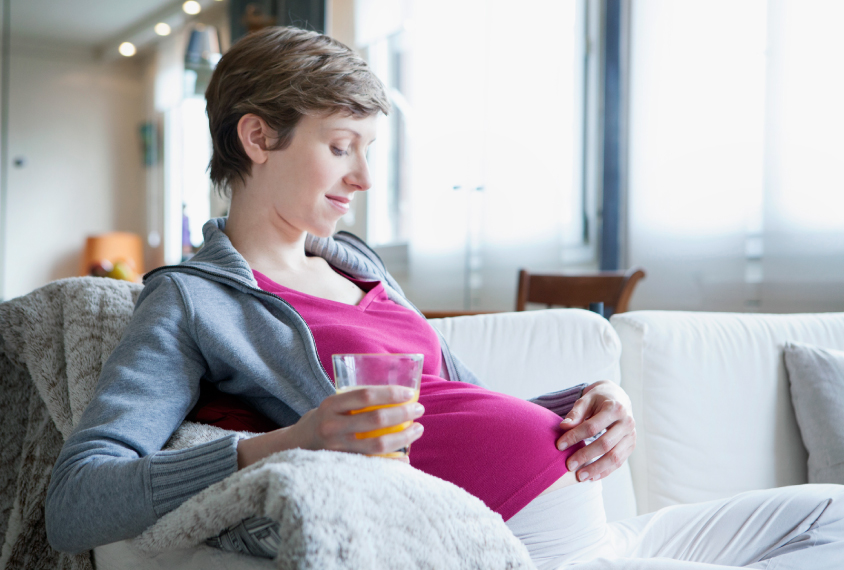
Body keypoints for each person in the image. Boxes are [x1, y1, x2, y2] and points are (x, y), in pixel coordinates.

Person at [46, 26, 844, 570]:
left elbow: (459, 404)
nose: (362, 177)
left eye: (368, 150)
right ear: (258, 138)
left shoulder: (359, 265)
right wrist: (288, 441)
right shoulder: (192, 301)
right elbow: (78, 501)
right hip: (532, 548)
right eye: (340, 147)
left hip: (602, 532)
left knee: (832, 511)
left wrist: (589, 403)